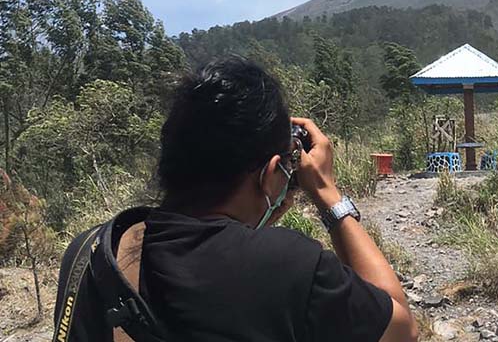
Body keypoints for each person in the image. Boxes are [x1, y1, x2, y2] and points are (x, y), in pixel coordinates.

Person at [54, 56, 418, 342]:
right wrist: (326, 192)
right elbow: (400, 328)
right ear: (270, 171)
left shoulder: (94, 249)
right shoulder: (290, 266)